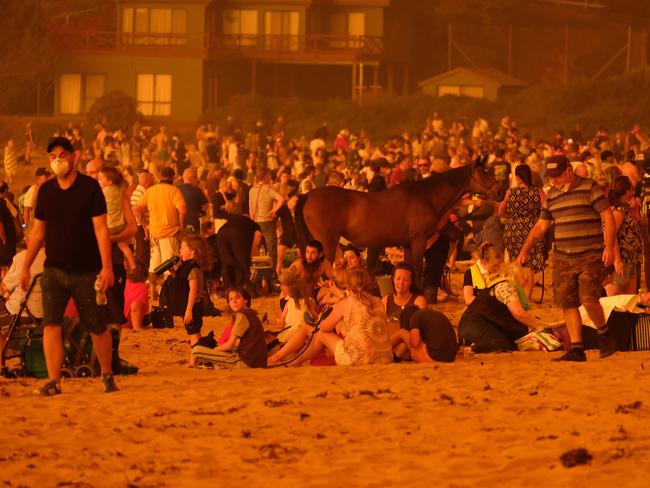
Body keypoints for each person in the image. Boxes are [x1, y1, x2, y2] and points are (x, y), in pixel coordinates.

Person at [20, 136, 117, 395]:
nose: (57, 160)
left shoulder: (90, 189)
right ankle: (54, 380)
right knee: (51, 325)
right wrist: (26, 266)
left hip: (87, 271)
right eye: (53, 156)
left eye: (62, 155)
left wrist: (107, 267)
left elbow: (101, 230)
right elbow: (38, 233)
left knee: (96, 325)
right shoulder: (47, 191)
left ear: (75, 156)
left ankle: (107, 373)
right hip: (53, 270)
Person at [517, 154, 617, 361]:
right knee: (568, 303)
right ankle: (577, 349)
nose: (554, 180)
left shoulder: (590, 188)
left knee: (589, 299)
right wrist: (524, 250)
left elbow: (607, 216)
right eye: (551, 177)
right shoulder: (552, 195)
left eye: (557, 176)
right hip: (563, 258)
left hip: (590, 254)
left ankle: (605, 334)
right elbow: (540, 227)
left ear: (569, 172)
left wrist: (609, 247)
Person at [290, 267, 393, 367]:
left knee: (321, 334)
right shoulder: (378, 301)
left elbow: (324, 327)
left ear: (348, 286)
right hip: (384, 357)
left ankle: (298, 361)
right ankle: (296, 360)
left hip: (358, 359)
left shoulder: (347, 302)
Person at [458, 259, 546, 353]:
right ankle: (471, 349)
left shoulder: (498, 284)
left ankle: (469, 347)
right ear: (515, 277)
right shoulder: (506, 286)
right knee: (503, 345)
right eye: (523, 279)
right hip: (475, 327)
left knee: (508, 343)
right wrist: (539, 326)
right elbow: (518, 314)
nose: (525, 282)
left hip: (468, 325)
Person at [134, 166, 187, 299]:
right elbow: (183, 210)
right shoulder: (174, 191)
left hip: (154, 234)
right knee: (170, 267)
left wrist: (145, 226)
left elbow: (136, 208)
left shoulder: (151, 191)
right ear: (173, 177)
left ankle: (153, 295)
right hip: (170, 233)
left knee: (153, 267)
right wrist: (181, 227)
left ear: (159, 177)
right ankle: (168, 296)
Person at [161, 235, 212, 365]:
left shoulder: (193, 269)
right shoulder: (185, 266)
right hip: (189, 307)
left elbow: (193, 290)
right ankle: (201, 356)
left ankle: (194, 360)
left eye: (183, 248)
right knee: (194, 333)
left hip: (193, 307)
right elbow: (180, 282)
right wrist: (173, 272)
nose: (180, 251)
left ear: (193, 252)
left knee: (193, 334)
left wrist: (189, 309)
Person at [498, 164, 546, 300]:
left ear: (517, 177)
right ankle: (527, 297)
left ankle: (519, 295)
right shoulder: (538, 192)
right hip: (532, 229)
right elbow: (547, 209)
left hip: (512, 231)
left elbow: (500, 213)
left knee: (517, 263)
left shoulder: (510, 193)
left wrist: (513, 216)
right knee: (529, 264)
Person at [192, 286, 268, 368]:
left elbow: (230, 344)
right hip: (259, 362)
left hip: (247, 362)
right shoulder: (251, 313)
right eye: (231, 299)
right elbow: (237, 343)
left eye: (237, 298)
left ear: (246, 300)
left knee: (196, 350)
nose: (234, 301)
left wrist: (215, 350)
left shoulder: (242, 315)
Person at [605, 175, 643, 296]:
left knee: (629, 297)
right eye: (631, 189)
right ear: (627, 191)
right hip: (623, 258)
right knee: (614, 292)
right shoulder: (618, 211)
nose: (633, 191)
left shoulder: (625, 208)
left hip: (631, 258)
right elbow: (610, 234)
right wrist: (617, 259)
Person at [97, 166, 136, 272]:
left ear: (109, 181)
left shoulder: (102, 193)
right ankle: (131, 263)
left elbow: (133, 227)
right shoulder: (119, 190)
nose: (98, 181)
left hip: (110, 226)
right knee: (123, 246)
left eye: (100, 179)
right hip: (119, 225)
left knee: (105, 243)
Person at [211, 214, 263, 289]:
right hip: (237, 234)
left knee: (226, 263)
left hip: (221, 233)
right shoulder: (253, 223)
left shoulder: (232, 220)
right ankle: (243, 288)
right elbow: (258, 235)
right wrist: (250, 252)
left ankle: (229, 289)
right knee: (243, 264)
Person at [391, 305, 457, 363]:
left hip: (433, 359)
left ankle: (384, 349)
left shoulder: (415, 317)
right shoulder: (431, 315)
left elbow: (415, 343)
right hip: (450, 359)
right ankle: (396, 356)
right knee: (409, 337)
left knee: (402, 332)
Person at [249, 168, 284, 270]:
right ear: (265, 177)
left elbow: (250, 208)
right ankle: (272, 273)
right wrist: (274, 210)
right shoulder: (268, 189)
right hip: (267, 222)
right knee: (271, 248)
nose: (270, 178)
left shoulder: (251, 190)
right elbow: (281, 199)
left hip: (255, 222)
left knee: (258, 248)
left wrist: (253, 219)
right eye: (269, 176)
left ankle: (257, 270)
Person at [382, 262, 426, 333]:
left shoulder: (418, 301)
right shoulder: (386, 300)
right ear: (393, 279)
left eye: (405, 280)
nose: (401, 283)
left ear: (411, 282)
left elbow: (420, 326)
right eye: (398, 279)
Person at [177, 167, 208, 234]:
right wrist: (201, 189)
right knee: (194, 243)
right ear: (192, 178)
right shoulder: (196, 190)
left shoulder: (176, 189)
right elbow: (206, 206)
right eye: (196, 178)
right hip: (193, 223)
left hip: (178, 223)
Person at [123, 261, 149, 331]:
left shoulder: (124, 282)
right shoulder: (142, 287)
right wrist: (136, 327)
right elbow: (135, 308)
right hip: (127, 324)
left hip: (117, 323)